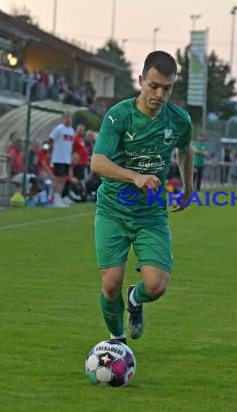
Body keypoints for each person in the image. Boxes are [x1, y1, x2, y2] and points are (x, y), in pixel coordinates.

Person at [91, 51, 193, 345]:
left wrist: (188, 187)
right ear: (141, 81)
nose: (160, 94)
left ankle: (135, 299)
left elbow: (186, 149)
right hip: (113, 210)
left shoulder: (179, 120)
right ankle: (117, 341)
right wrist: (134, 177)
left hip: (150, 214)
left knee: (156, 286)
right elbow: (97, 163)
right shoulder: (119, 116)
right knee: (110, 286)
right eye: (154, 86)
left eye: (167, 88)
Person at [48, 111, 74, 207]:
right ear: (63, 118)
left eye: (70, 117)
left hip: (66, 159)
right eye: (67, 117)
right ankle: (55, 199)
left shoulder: (71, 130)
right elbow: (50, 139)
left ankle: (59, 197)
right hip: (59, 158)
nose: (69, 119)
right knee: (58, 179)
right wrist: (49, 151)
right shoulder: (59, 129)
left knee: (63, 179)